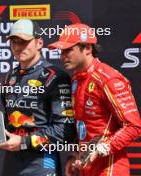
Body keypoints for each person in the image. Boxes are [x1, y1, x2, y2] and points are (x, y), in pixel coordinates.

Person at [48, 23, 141, 176]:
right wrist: (74, 155)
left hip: (110, 168)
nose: (62, 56)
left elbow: (134, 126)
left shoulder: (108, 78)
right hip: (86, 167)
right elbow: (83, 126)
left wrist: (101, 148)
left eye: (68, 50)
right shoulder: (76, 80)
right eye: (61, 51)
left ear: (88, 48)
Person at [0, 19, 77, 176]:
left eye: (24, 42)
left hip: (41, 163)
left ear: (39, 43)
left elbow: (65, 130)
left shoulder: (56, 77)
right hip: (11, 164)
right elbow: (10, 124)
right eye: (14, 42)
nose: (18, 47)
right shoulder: (9, 77)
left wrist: (23, 142)